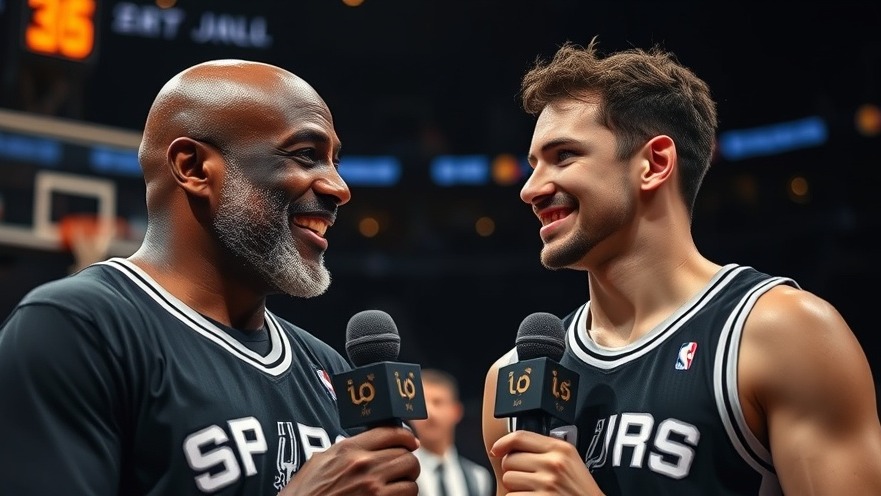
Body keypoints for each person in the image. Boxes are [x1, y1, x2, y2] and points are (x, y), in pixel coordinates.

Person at [0, 59, 421, 495]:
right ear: (194, 167)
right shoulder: (75, 329)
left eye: (334, 161)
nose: (339, 188)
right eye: (306, 155)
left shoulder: (327, 368)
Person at [481, 37, 881, 495]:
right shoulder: (512, 378)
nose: (530, 190)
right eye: (533, 165)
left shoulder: (784, 333)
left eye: (563, 156)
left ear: (654, 163)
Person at [410, 368, 494, 496]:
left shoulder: (478, 477)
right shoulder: (400, 473)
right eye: (421, 404)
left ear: (456, 411)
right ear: (410, 413)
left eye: (438, 402)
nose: (429, 412)